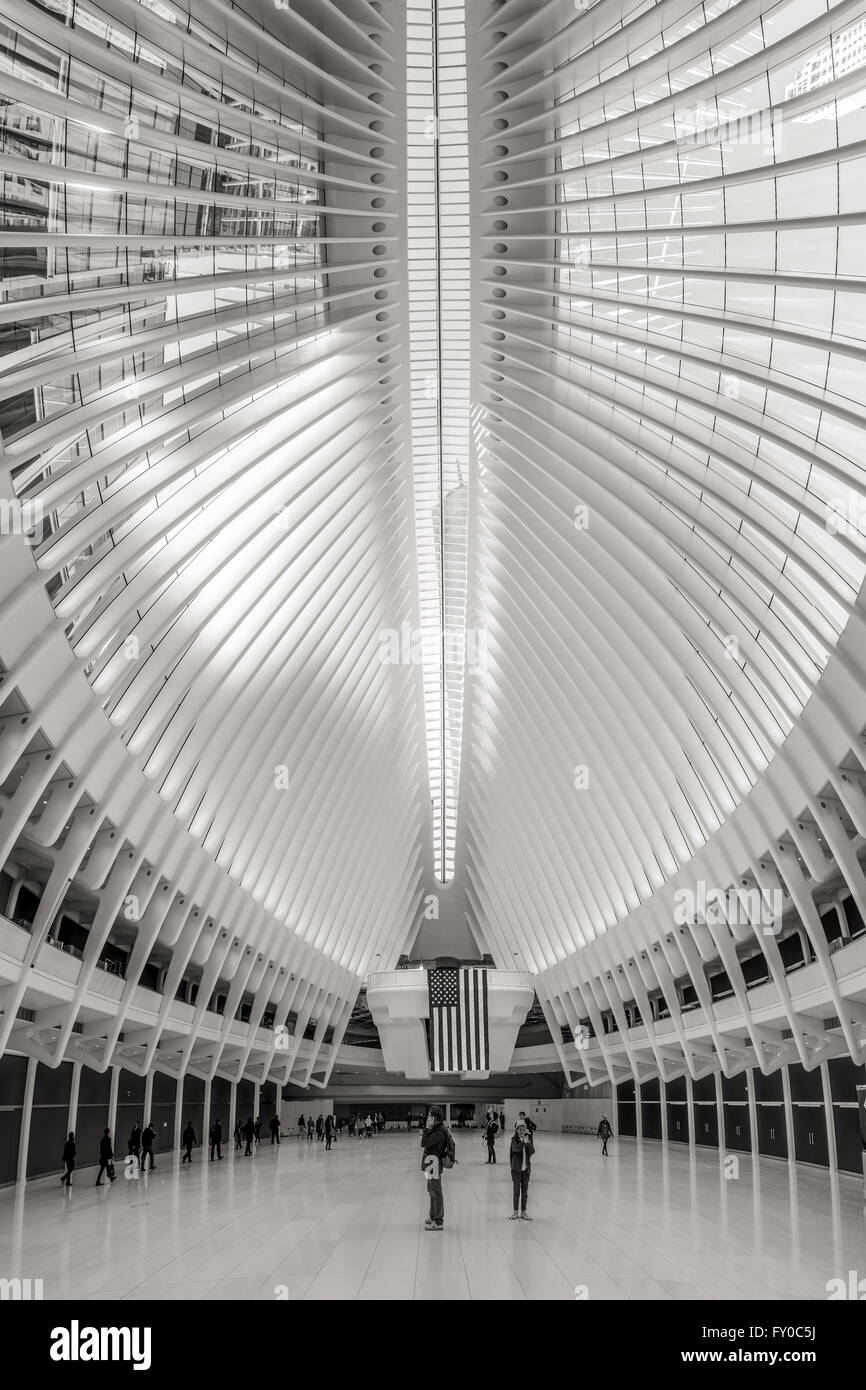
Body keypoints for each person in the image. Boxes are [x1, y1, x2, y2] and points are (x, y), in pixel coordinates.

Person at [420, 1107, 450, 1231]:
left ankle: (438, 1220)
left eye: (430, 1116)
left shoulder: (440, 1132)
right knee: (431, 1190)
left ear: (435, 1118)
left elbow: (424, 1143)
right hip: (430, 1162)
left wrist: (427, 1128)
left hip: (434, 1162)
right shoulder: (436, 1129)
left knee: (436, 1191)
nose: (428, 1118)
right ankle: (432, 1216)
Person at [509, 1121, 535, 1220]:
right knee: (516, 1191)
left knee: (525, 1192)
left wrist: (528, 1144)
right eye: (520, 1130)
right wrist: (523, 1143)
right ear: (516, 1130)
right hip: (516, 1170)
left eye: (524, 1130)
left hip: (526, 1170)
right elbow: (515, 1149)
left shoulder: (528, 1138)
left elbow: (532, 1152)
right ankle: (515, 1211)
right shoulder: (514, 1139)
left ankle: (523, 1211)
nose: (522, 1132)